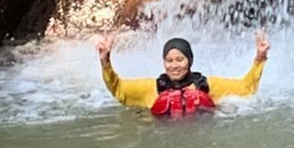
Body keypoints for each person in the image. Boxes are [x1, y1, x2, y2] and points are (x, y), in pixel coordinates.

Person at [97, 32, 270, 114]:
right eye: (169, 60)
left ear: (190, 61)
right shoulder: (152, 88)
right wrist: (105, 61)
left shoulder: (207, 85)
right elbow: (118, 89)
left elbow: (246, 88)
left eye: (180, 59)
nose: (174, 66)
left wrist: (260, 58)